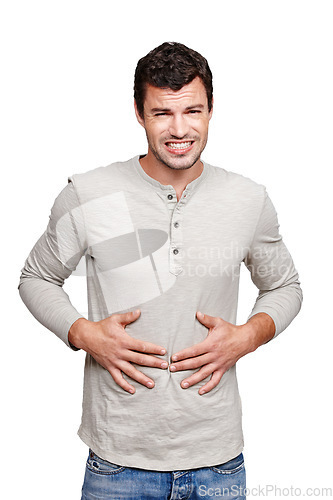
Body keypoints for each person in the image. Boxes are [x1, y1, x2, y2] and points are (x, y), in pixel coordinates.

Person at [18, 42, 302, 499]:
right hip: (117, 463)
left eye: (193, 110)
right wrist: (82, 332)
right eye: (161, 113)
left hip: (217, 462)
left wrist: (248, 336)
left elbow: (285, 286)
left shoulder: (247, 199)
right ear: (138, 112)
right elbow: (35, 277)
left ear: (211, 109)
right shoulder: (89, 193)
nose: (179, 129)